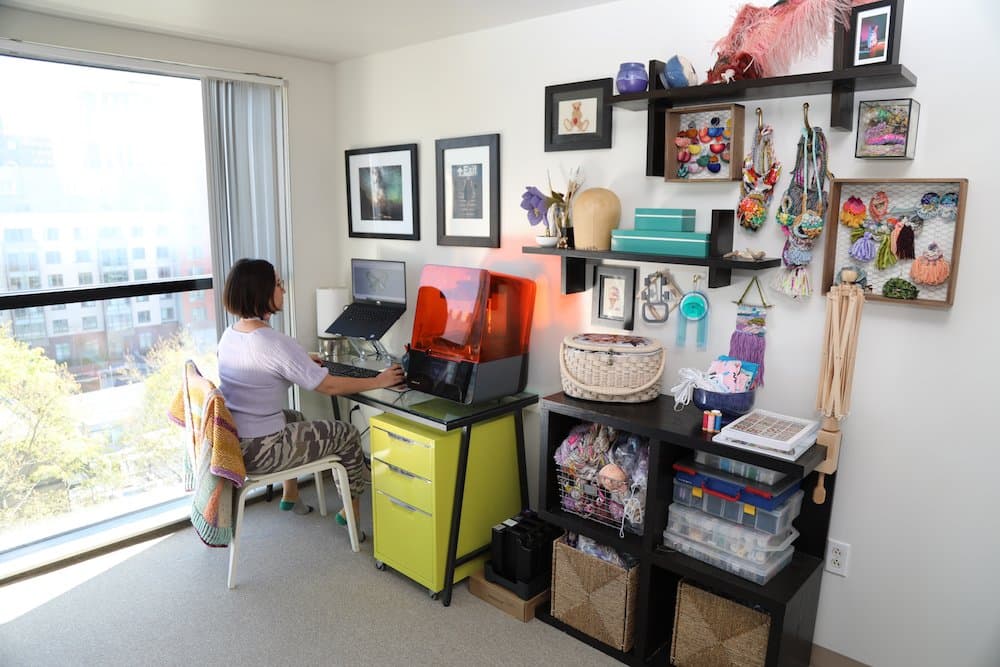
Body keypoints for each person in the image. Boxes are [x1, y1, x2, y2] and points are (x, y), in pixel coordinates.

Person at [217, 258, 404, 539]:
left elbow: (263, 366)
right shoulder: (274, 343)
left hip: (237, 443)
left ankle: (291, 493)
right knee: (347, 434)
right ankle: (350, 512)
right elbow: (327, 386)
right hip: (265, 452)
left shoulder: (230, 336)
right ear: (262, 293)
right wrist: (378, 380)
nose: (283, 290)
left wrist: (301, 360)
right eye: (278, 284)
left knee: (294, 418)